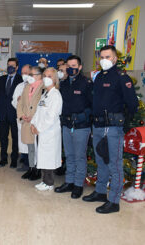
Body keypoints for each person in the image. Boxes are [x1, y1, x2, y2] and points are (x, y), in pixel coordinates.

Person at [83, 45, 138, 214]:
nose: (104, 60)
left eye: (107, 57)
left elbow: (133, 104)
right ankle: (100, 192)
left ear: (114, 59)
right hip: (98, 125)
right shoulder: (99, 77)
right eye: (101, 57)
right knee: (101, 162)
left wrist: (122, 122)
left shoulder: (122, 77)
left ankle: (114, 201)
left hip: (113, 127)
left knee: (114, 164)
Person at [55, 55, 93, 199]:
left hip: (81, 126)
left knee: (79, 157)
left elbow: (93, 105)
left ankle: (78, 185)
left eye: (74, 66)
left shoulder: (86, 83)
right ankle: (69, 182)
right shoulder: (64, 84)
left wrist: (83, 116)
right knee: (69, 156)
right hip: (66, 125)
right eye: (69, 67)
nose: (71, 69)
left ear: (80, 67)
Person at [31, 67, 63, 191]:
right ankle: (44, 181)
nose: (46, 78)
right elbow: (38, 112)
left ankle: (49, 183)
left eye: (49, 76)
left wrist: (39, 128)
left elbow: (52, 116)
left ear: (55, 79)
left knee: (49, 158)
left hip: (48, 132)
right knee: (42, 157)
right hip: (40, 131)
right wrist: (33, 124)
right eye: (44, 75)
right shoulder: (45, 94)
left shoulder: (56, 95)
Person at [17, 66, 45, 180]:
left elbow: (42, 106)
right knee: (30, 147)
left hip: (36, 122)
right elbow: (21, 103)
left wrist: (32, 117)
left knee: (38, 147)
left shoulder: (43, 88)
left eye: (32, 75)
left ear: (39, 76)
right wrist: (22, 115)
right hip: (26, 121)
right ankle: (31, 168)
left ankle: (38, 169)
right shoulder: (27, 86)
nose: (30, 77)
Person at [0, 58, 23, 168]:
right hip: (2, 113)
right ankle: (3, 158)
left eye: (12, 65)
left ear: (17, 67)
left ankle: (14, 159)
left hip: (15, 114)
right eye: (8, 65)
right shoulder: (1, 79)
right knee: (3, 137)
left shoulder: (21, 80)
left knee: (15, 137)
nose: (10, 67)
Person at [12, 64, 31, 171]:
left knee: (30, 143)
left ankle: (30, 165)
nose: (24, 75)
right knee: (22, 142)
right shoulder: (19, 86)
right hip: (21, 118)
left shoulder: (35, 86)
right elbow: (13, 101)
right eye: (23, 73)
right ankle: (24, 162)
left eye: (27, 73)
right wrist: (18, 101)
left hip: (30, 119)